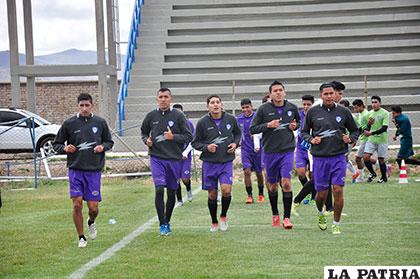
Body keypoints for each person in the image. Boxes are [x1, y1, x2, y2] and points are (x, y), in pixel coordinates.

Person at [53, 93, 114, 248]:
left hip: (93, 170)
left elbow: (109, 142)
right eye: (82, 105)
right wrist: (65, 148)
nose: (84, 108)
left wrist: (103, 147)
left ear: (92, 105)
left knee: (93, 208)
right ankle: (81, 237)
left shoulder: (100, 122)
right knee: (77, 205)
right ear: (78, 106)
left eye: (87, 105)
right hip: (75, 169)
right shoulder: (69, 123)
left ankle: (91, 221)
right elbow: (56, 144)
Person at [301, 83, 359, 234]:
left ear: (335, 95)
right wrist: (311, 140)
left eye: (331, 93)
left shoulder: (344, 111)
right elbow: (304, 132)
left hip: (339, 156)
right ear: (321, 95)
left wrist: (350, 138)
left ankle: (336, 224)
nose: (328, 96)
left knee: (338, 190)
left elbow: (354, 130)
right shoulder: (312, 112)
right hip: (320, 158)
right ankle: (320, 213)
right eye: (325, 94)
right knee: (321, 194)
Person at [141, 88, 192, 236]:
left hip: (174, 159)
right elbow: (144, 132)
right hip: (157, 157)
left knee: (171, 192)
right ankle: (162, 223)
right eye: (160, 97)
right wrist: (147, 140)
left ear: (170, 99)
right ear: (157, 99)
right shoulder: (151, 116)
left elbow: (188, 137)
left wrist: (173, 137)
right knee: (159, 189)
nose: (163, 99)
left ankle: (167, 221)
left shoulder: (178, 116)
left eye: (166, 97)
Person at [250, 80, 300, 229]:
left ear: (285, 92)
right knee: (272, 186)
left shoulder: (292, 107)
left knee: (286, 182)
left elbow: (300, 123)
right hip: (270, 152)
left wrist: (295, 126)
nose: (278, 93)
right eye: (275, 91)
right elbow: (252, 129)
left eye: (280, 90)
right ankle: (275, 214)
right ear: (270, 94)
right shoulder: (263, 109)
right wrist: (268, 125)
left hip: (287, 150)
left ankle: (287, 218)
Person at [192, 95, 241, 232]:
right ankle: (214, 221)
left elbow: (238, 134)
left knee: (226, 190)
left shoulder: (231, 119)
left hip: (226, 161)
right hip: (209, 163)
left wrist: (235, 143)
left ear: (221, 104)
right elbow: (195, 142)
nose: (215, 105)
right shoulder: (202, 122)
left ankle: (223, 217)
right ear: (208, 106)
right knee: (212, 194)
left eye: (217, 102)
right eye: (212, 103)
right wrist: (206, 147)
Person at [291, 95, 316, 216]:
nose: (305, 107)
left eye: (308, 104)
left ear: (313, 104)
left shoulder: (316, 114)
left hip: (313, 149)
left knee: (312, 174)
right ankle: (309, 192)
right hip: (301, 148)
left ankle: (313, 194)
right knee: (301, 173)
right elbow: (294, 126)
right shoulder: (298, 115)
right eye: (304, 104)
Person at [236, 98, 265, 204]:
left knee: (259, 172)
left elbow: (264, 130)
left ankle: (261, 193)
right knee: (246, 171)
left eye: (247, 107)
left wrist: (258, 136)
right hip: (245, 149)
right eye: (243, 108)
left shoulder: (257, 117)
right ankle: (249, 196)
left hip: (258, 149)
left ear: (251, 107)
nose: (245, 109)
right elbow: (236, 133)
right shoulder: (238, 120)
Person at [172, 103, 195, 206]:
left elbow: (193, 139)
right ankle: (179, 200)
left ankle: (189, 189)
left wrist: (186, 152)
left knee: (185, 178)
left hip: (185, 156)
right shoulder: (170, 124)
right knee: (175, 178)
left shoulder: (188, 124)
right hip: (173, 156)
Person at [363, 96, 390, 183]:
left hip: (382, 139)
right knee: (366, 157)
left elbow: (384, 128)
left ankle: (383, 178)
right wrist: (368, 127)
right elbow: (368, 126)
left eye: (376, 102)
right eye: (372, 102)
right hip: (371, 139)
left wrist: (371, 133)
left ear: (380, 103)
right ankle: (373, 173)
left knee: (381, 159)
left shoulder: (385, 113)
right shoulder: (369, 113)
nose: (374, 104)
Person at [339, 99, 359, 182]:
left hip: (348, 141)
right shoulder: (339, 115)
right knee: (344, 158)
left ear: (347, 107)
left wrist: (354, 140)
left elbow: (357, 129)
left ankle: (344, 176)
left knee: (343, 158)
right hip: (341, 141)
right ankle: (354, 174)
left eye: (342, 107)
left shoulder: (351, 117)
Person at [352, 99, 370, 182]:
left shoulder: (366, 114)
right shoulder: (361, 114)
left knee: (358, 158)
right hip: (363, 138)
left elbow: (370, 126)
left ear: (361, 106)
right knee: (365, 158)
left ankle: (361, 178)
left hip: (367, 139)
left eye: (356, 108)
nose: (355, 110)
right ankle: (386, 167)